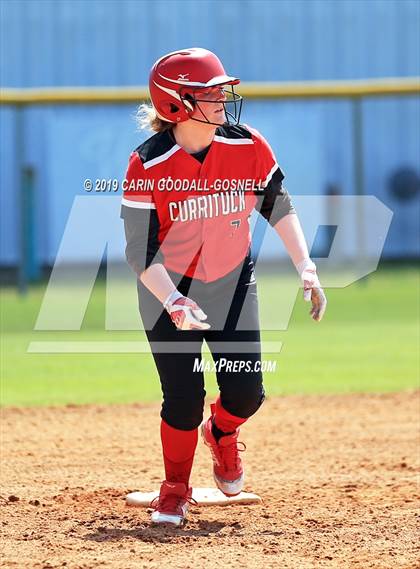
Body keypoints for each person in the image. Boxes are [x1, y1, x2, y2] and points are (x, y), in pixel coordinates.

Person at [121, 48, 327, 527]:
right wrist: (172, 299)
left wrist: (306, 266)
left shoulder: (247, 144)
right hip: (165, 290)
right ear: (178, 103)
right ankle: (174, 489)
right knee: (183, 398)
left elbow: (278, 205)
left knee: (246, 394)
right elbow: (139, 251)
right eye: (210, 92)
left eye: (220, 90)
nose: (223, 99)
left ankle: (222, 432)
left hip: (231, 284)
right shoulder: (147, 164)